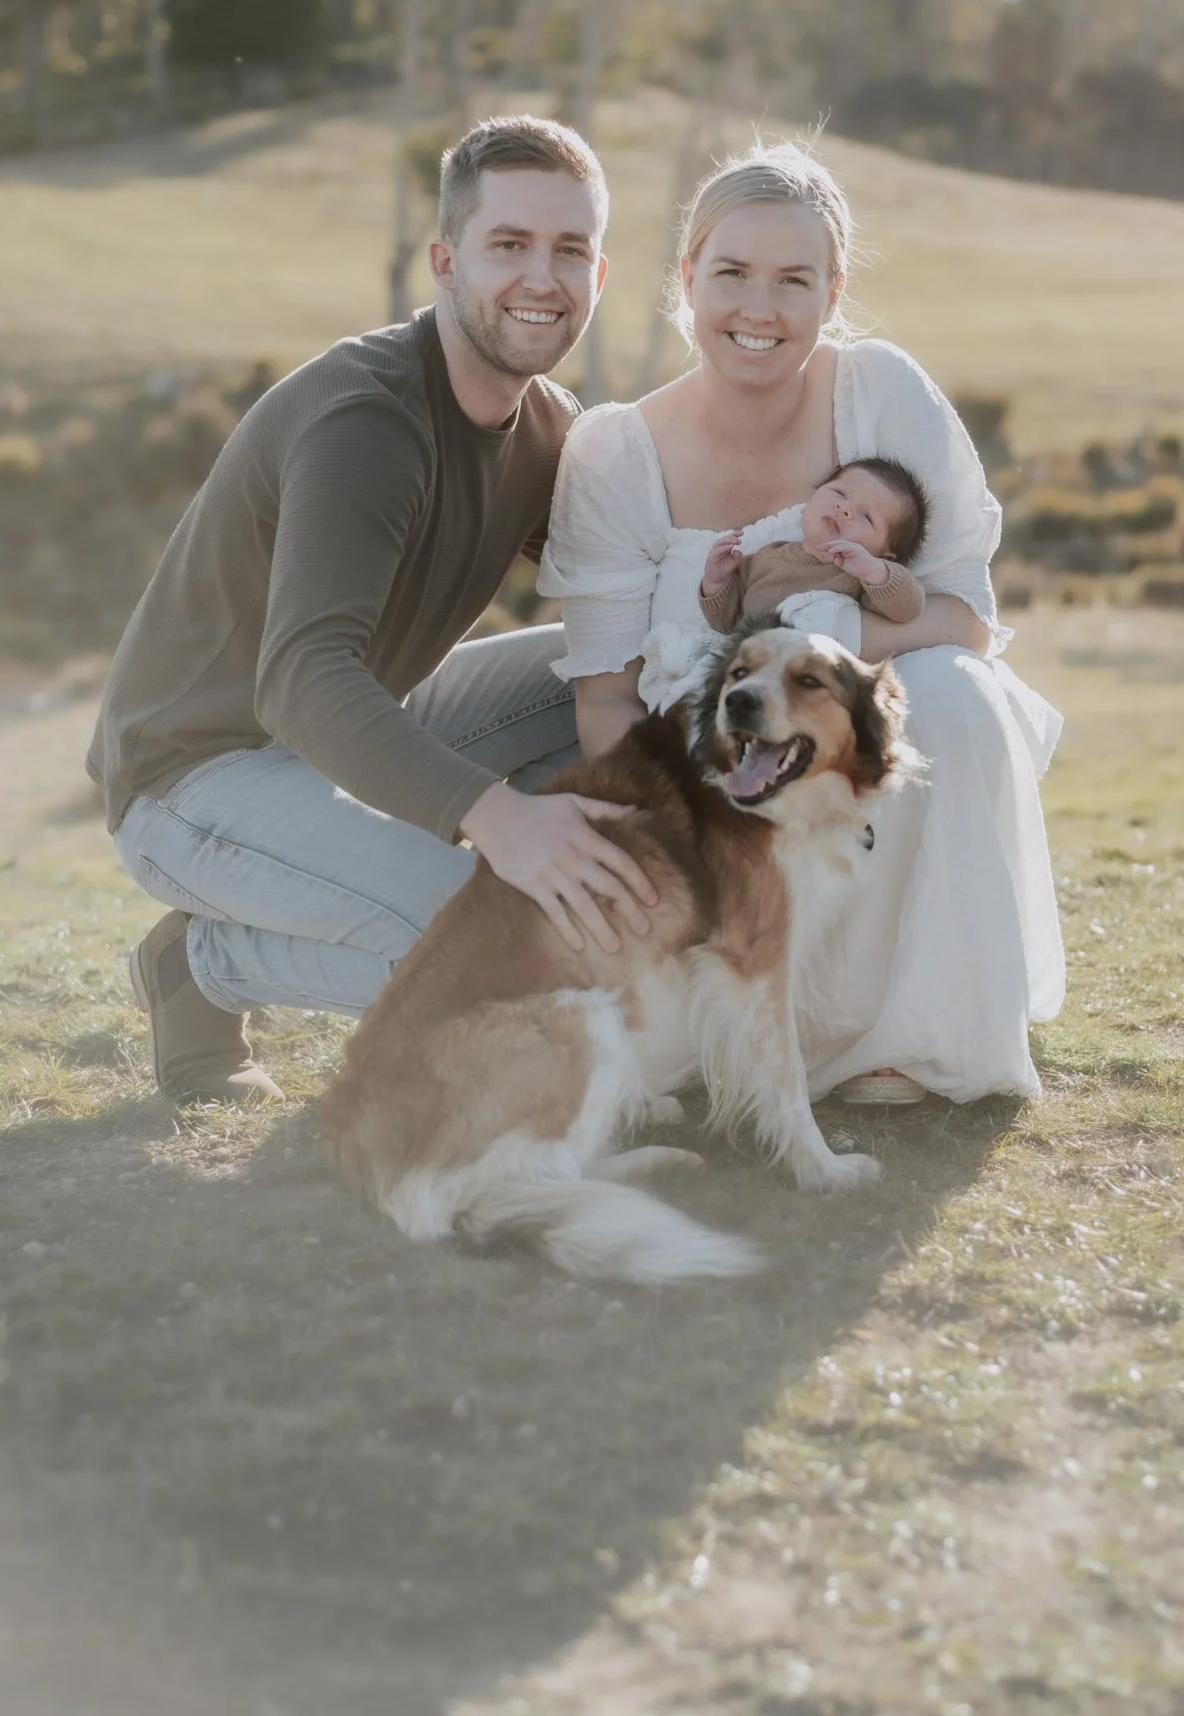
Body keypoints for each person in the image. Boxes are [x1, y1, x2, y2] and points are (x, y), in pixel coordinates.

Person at [88, 115, 658, 1106]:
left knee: (616, 653)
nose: (541, 276)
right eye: (508, 244)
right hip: (189, 775)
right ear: (444, 261)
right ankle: (207, 961)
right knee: (492, 946)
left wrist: (800, 566)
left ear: (599, 279)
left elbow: (634, 585)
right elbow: (303, 681)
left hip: (329, 742)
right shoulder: (368, 422)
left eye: (570, 249)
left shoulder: (545, 426)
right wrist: (502, 822)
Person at [539, 142, 1066, 1106]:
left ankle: (909, 1038)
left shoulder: (882, 394)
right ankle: (744, 1024)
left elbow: (965, 621)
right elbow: (610, 698)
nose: (760, 308)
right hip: (699, 740)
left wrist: (817, 657)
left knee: (953, 699)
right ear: (688, 277)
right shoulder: (615, 451)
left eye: (794, 280)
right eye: (732, 273)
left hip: (867, 708)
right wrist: (668, 840)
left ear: (833, 291)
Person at [698, 454, 928, 634]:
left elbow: (909, 609)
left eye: (867, 517)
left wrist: (875, 571)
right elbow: (725, 624)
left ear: (884, 556)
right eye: (839, 493)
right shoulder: (765, 557)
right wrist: (716, 582)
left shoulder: (860, 580)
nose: (844, 508)